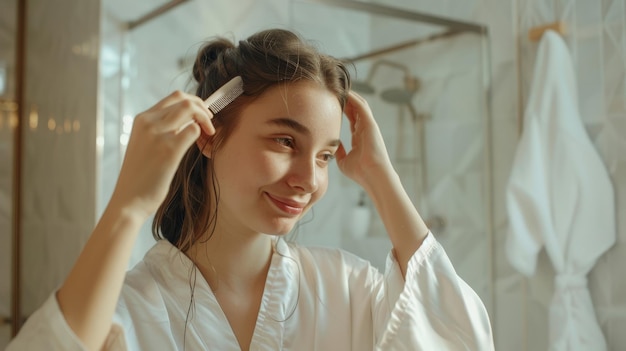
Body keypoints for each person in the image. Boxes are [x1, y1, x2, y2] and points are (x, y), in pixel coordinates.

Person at [7, 28, 493, 351]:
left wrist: (384, 181)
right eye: (285, 140)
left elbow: (465, 340)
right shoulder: (127, 309)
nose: (309, 179)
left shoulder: (348, 289)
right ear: (209, 135)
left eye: (325, 155)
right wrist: (128, 207)